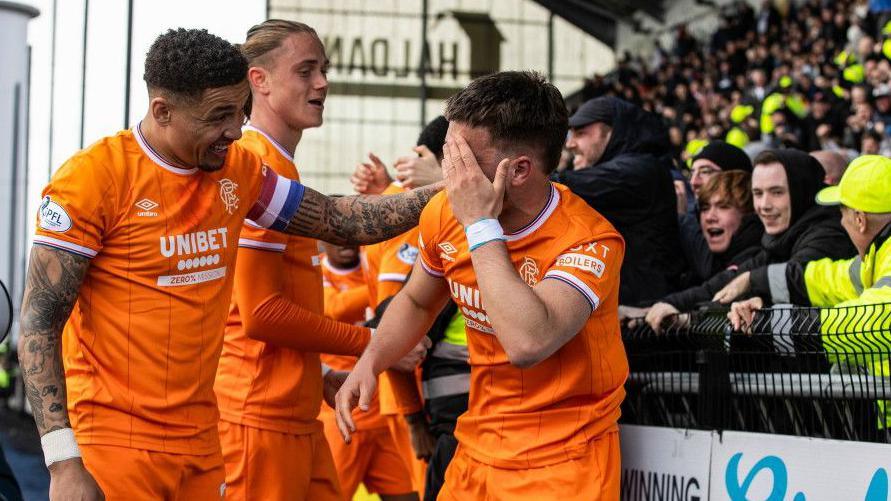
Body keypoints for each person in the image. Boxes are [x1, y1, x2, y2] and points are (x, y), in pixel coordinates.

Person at [16, 28, 439, 500]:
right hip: (115, 442)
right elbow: (37, 322)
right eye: (219, 116)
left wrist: (446, 193)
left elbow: (339, 220)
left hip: (202, 441)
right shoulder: (93, 179)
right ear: (162, 111)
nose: (236, 131)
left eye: (239, 112)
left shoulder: (238, 168)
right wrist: (62, 460)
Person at [336, 71, 628, 500]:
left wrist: (481, 226)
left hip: (565, 460)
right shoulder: (445, 212)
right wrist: (371, 360)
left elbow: (528, 343)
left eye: (463, 157)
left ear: (520, 170)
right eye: (448, 151)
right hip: (479, 445)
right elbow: (417, 302)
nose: (450, 170)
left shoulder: (589, 240)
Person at [213, 20, 431, 501]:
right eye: (306, 70)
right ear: (259, 81)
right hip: (256, 421)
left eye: (324, 70)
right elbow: (260, 314)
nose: (323, 83)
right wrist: (373, 342)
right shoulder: (255, 164)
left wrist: (321, 377)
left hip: (297, 411)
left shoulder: (279, 167)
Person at [728, 155, 891, 423]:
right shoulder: (876, 257)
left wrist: (765, 324)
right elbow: (825, 279)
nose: (841, 222)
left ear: (860, 220)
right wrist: (757, 282)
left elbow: (866, 321)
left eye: (843, 213)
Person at [646, 149, 857, 331]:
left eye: (776, 192)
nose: (764, 205)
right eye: (758, 193)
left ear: (801, 191)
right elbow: (724, 285)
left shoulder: (828, 234)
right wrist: (665, 305)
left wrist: (690, 319)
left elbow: (790, 283)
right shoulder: (778, 239)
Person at [556, 96, 683, 306]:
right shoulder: (636, 167)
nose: (570, 144)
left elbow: (561, 185)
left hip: (647, 316)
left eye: (581, 133)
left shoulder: (641, 170)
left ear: (611, 131)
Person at [320, 242, 416, 501]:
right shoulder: (319, 271)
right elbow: (336, 307)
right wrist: (385, 287)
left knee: (409, 494)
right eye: (336, 235)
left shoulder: (372, 262)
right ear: (321, 239)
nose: (345, 240)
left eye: (351, 232)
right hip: (339, 413)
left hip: (381, 410)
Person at [677, 141, 754, 286]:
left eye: (705, 171)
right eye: (691, 173)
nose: (694, 182)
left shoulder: (754, 235)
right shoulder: (695, 214)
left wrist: (682, 218)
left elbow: (709, 269)